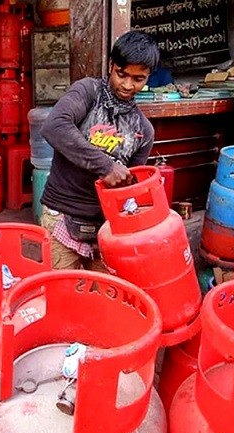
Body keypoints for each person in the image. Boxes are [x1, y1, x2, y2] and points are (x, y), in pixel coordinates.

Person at [39, 31, 159, 271]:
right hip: (61, 213)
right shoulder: (88, 92)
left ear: (148, 77)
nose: (127, 85)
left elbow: (129, 189)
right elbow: (54, 126)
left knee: (105, 291)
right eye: (122, 74)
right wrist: (106, 166)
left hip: (106, 227)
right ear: (111, 65)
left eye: (138, 79)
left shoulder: (143, 131)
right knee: (62, 291)